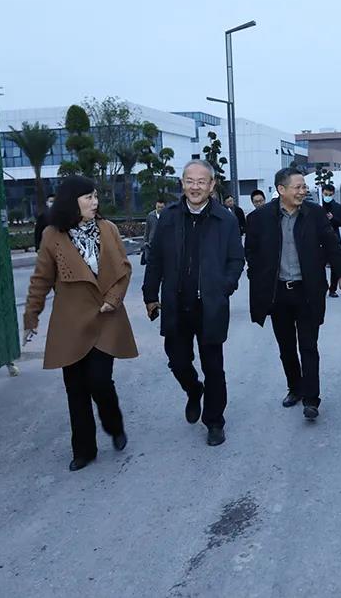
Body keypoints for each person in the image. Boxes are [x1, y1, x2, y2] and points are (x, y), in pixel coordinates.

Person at [23, 176, 137, 471]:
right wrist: (31, 316)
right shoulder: (52, 235)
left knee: (99, 380)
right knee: (75, 388)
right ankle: (84, 449)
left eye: (96, 196)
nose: (94, 202)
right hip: (70, 322)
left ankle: (114, 424)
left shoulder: (108, 229)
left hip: (105, 316)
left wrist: (114, 298)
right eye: (88, 197)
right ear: (71, 202)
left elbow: (124, 269)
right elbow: (41, 279)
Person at [142, 160, 244, 446]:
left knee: (213, 366)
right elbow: (155, 259)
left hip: (210, 305)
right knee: (177, 361)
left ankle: (214, 421)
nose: (195, 187)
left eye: (201, 181)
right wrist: (150, 295)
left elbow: (236, 259)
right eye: (190, 181)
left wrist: (225, 287)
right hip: (176, 304)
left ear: (212, 185)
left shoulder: (225, 219)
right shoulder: (168, 217)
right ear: (182, 184)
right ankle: (193, 390)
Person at [245, 169, 341, 420]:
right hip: (278, 292)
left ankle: (311, 399)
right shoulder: (259, 218)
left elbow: (332, 245)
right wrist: (258, 279)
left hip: (307, 291)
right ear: (281, 190)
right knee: (286, 347)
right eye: (298, 187)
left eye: (304, 187)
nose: (304, 191)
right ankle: (295, 388)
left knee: (309, 346)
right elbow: (251, 252)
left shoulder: (315, 214)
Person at [320, 184, 341, 298]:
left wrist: (332, 218)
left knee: (335, 265)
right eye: (325, 194)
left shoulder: (337, 207)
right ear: (322, 193)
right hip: (320, 239)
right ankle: (322, 287)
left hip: (334, 238)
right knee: (319, 264)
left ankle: (333, 289)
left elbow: (340, 222)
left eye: (330, 195)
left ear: (333, 194)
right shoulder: (318, 206)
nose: (327, 197)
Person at [142, 197, 166, 265]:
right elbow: (147, 229)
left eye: (162, 207)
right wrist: (145, 241)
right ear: (156, 206)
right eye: (158, 207)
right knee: (152, 262)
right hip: (152, 242)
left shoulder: (168, 215)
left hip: (164, 242)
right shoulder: (150, 215)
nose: (160, 209)